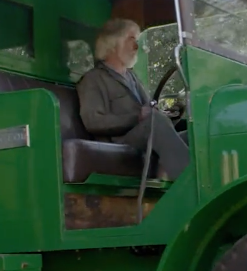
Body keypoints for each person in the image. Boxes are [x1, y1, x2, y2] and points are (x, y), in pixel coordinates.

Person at [76, 18, 189, 180]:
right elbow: (93, 122)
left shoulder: (133, 77)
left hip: (143, 136)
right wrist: (137, 117)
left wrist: (168, 115)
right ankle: (191, 182)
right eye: (132, 40)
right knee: (154, 124)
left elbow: (149, 110)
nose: (138, 46)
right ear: (113, 44)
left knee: (194, 133)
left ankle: (175, 180)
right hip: (118, 143)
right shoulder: (93, 79)